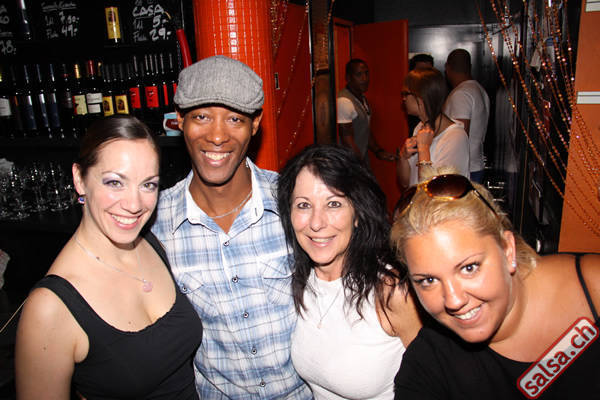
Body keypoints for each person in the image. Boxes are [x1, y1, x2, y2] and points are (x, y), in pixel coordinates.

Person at [150, 55, 312, 399]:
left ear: (255, 124)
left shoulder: (295, 201)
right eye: (201, 116)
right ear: (179, 121)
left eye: (234, 118)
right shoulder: (156, 223)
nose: (217, 135)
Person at [15, 115, 202, 399]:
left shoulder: (154, 244)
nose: (134, 204)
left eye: (148, 185)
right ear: (80, 179)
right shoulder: (50, 308)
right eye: (115, 182)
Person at [390, 170, 600, 399]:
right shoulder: (429, 365)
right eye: (428, 281)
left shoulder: (593, 287)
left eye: (469, 268)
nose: (454, 300)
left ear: (507, 249)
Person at [277, 144, 422, 400]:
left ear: (357, 214)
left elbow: (437, 377)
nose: (316, 223)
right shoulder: (298, 279)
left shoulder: (391, 291)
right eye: (303, 205)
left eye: (333, 204)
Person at [396, 67, 469, 190]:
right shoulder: (419, 127)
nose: (403, 98)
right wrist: (403, 156)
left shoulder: (455, 137)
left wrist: (424, 149)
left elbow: (434, 190)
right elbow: (405, 183)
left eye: (406, 94)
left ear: (421, 97)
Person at [443, 48, 490, 183]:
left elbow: (460, 136)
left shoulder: (461, 94)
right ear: (470, 66)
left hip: (464, 169)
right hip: (474, 165)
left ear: (447, 67)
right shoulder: (479, 89)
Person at [337, 58, 396, 164]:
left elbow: (364, 130)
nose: (365, 79)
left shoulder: (361, 98)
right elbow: (347, 140)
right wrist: (360, 165)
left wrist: (378, 151)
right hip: (349, 163)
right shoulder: (344, 101)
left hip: (360, 160)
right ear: (348, 78)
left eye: (366, 73)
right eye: (359, 75)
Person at [407, 53, 434, 135]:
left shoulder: (438, 96)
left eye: (428, 71)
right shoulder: (409, 94)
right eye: (420, 71)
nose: (425, 76)